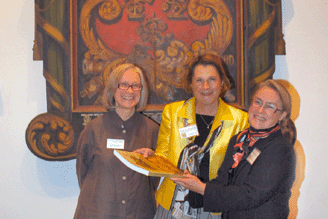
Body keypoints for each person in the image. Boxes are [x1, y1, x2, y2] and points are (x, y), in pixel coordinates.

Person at [137, 52, 249, 219]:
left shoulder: (240, 120)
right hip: (174, 206)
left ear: (222, 83)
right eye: (199, 80)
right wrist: (152, 157)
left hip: (215, 208)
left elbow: (239, 171)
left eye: (211, 79)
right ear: (190, 84)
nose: (205, 86)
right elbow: (164, 156)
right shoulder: (173, 113)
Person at [173, 79, 296, 219]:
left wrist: (202, 188)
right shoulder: (239, 140)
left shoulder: (280, 149)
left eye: (270, 106)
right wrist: (190, 186)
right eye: (258, 102)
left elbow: (250, 195)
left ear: (283, 114)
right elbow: (223, 182)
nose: (260, 110)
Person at [73, 63, 159, 219]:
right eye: (124, 85)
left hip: (138, 213)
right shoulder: (93, 129)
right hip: (98, 212)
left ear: (142, 91)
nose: (130, 91)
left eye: (135, 86)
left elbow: (155, 180)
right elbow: (82, 173)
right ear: (113, 89)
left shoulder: (152, 130)